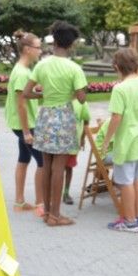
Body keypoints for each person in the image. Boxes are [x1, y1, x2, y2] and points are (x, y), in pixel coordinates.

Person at [24, 20, 87, 226]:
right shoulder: (74, 68)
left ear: (54, 42)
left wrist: (43, 95)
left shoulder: (42, 65)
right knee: (59, 167)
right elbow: (81, 98)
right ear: (71, 44)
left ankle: (46, 211)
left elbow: (26, 93)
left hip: (45, 116)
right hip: (64, 116)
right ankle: (55, 216)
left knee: (46, 165)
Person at [100, 48, 138, 233]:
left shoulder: (120, 88)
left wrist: (106, 141)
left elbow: (116, 118)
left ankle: (129, 222)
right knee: (137, 180)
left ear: (116, 67)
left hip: (126, 142)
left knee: (125, 182)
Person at [6, 30, 45, 213]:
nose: (40, 51)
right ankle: (40, 204)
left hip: (22, 123)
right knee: (43, 162)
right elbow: (21, 105)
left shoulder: (23, 70)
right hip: (25, 124)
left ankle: (19, 202)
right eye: (38, 48)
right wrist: (27, 132)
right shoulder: (22, 73)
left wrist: (39, 91)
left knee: (24, 158)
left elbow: (26, 97)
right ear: (28, 49)